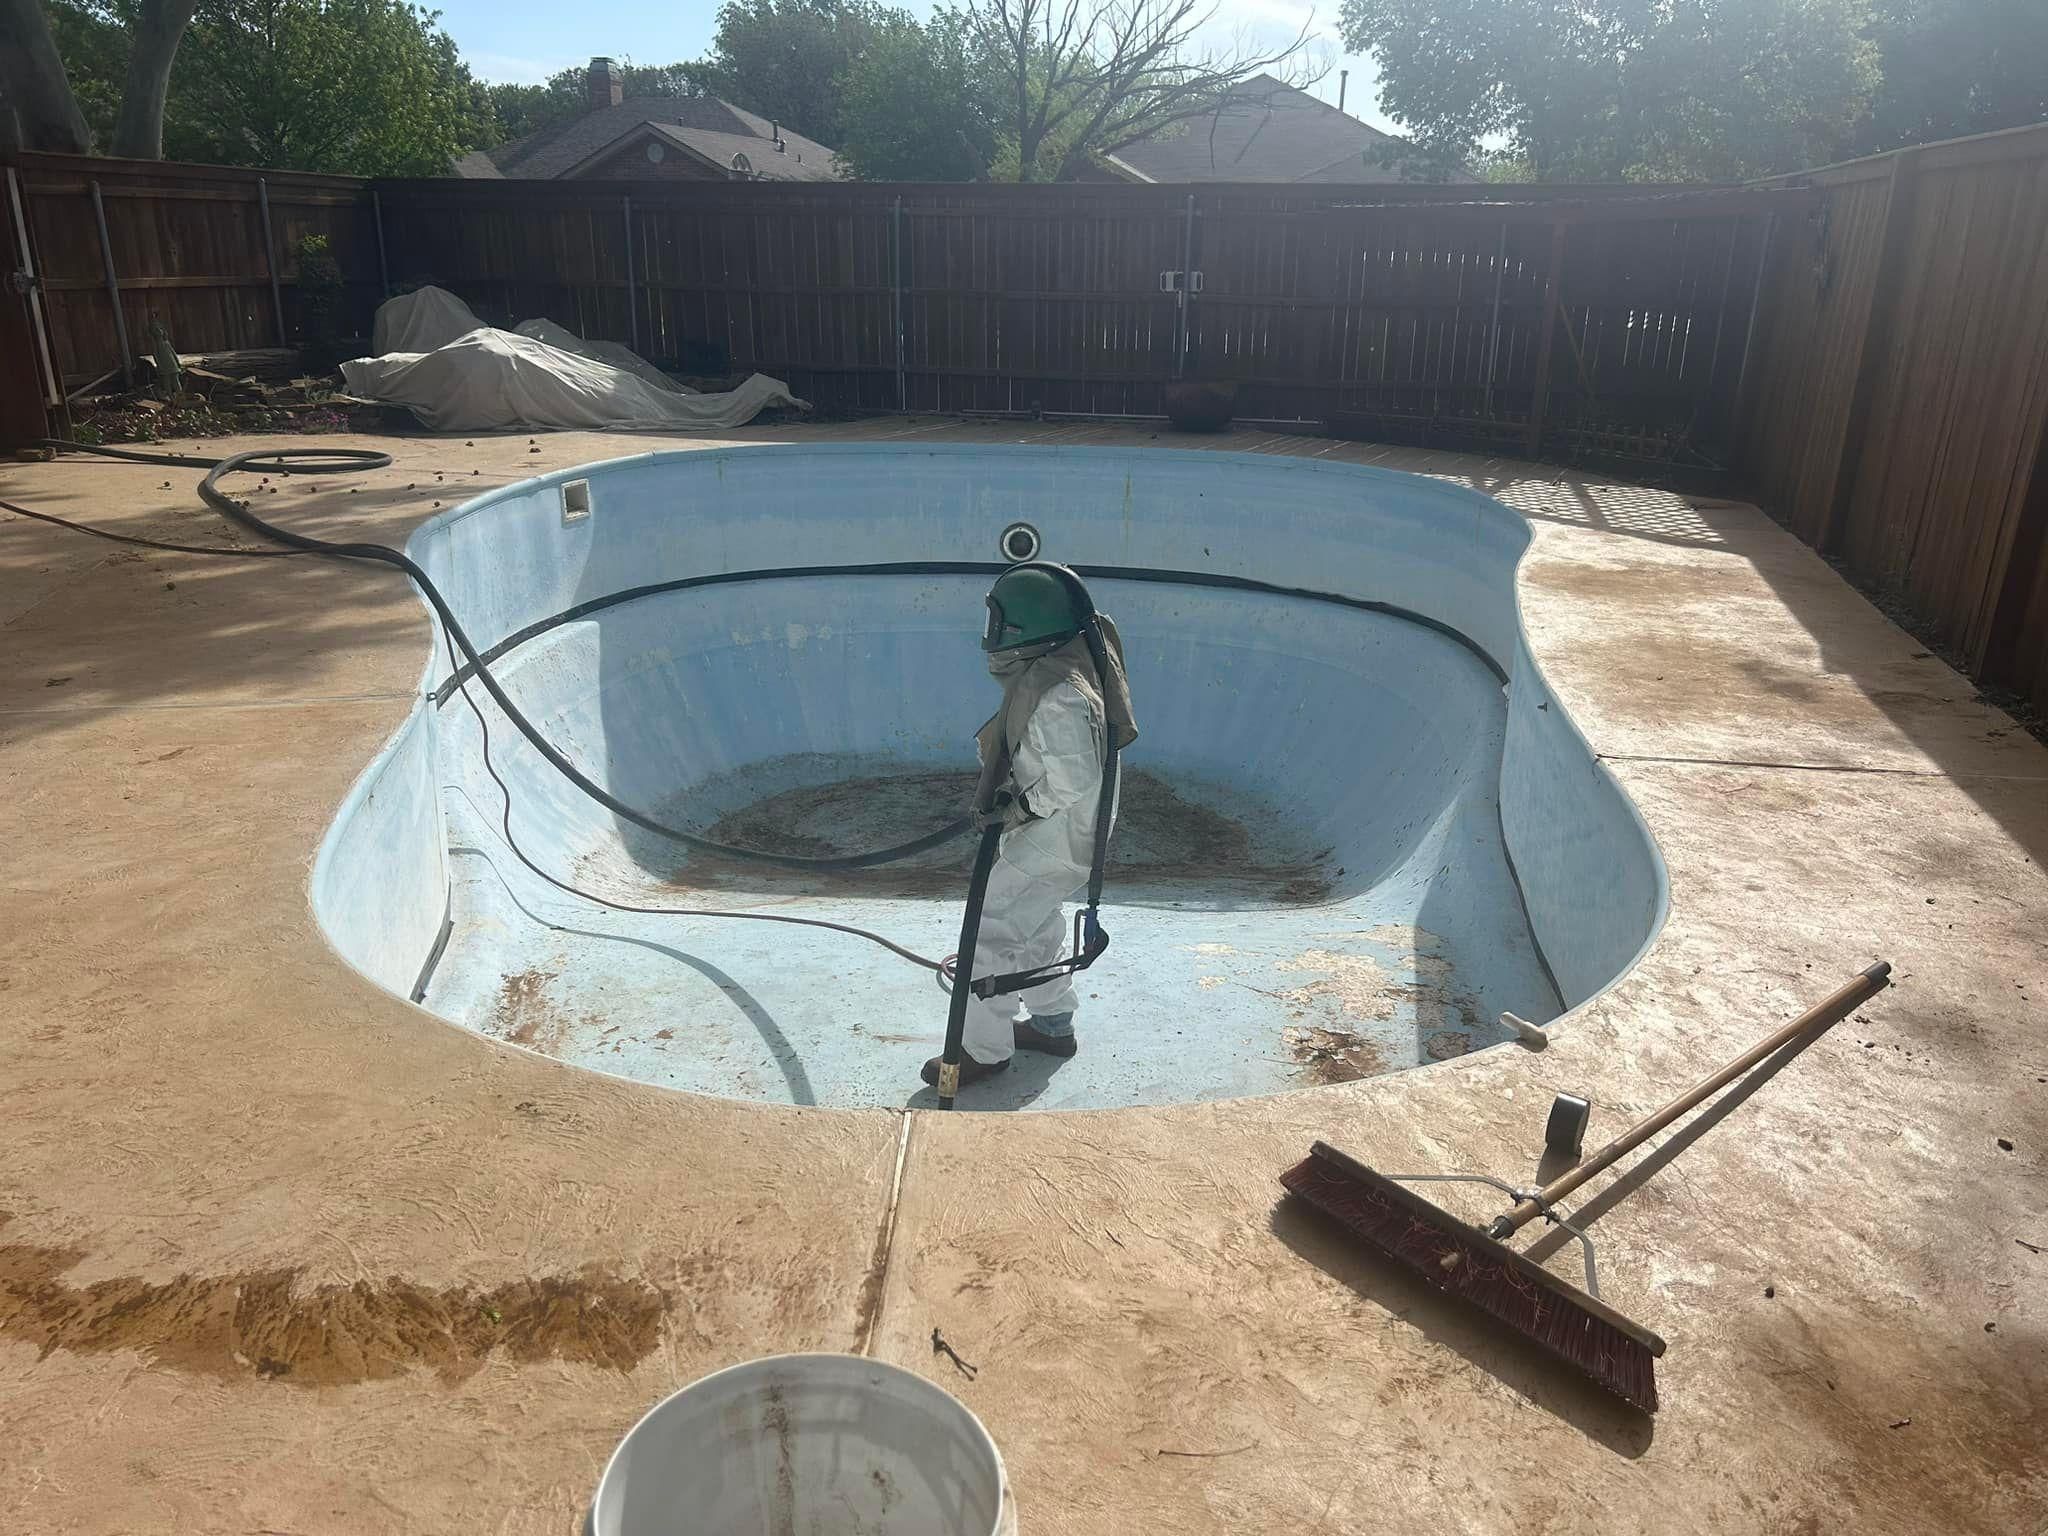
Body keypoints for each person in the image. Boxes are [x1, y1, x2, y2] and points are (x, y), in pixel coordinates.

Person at [923, 565, 1138, 1090]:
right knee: (1035, 924)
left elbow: (1072, 778)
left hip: (1057, 838)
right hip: (1066, 835)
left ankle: (982, 1051)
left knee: (991, 926)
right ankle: (1052, 1025)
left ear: (1021, 626)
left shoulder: (1059, 691)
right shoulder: (1064, 664)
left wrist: (1017, 808)